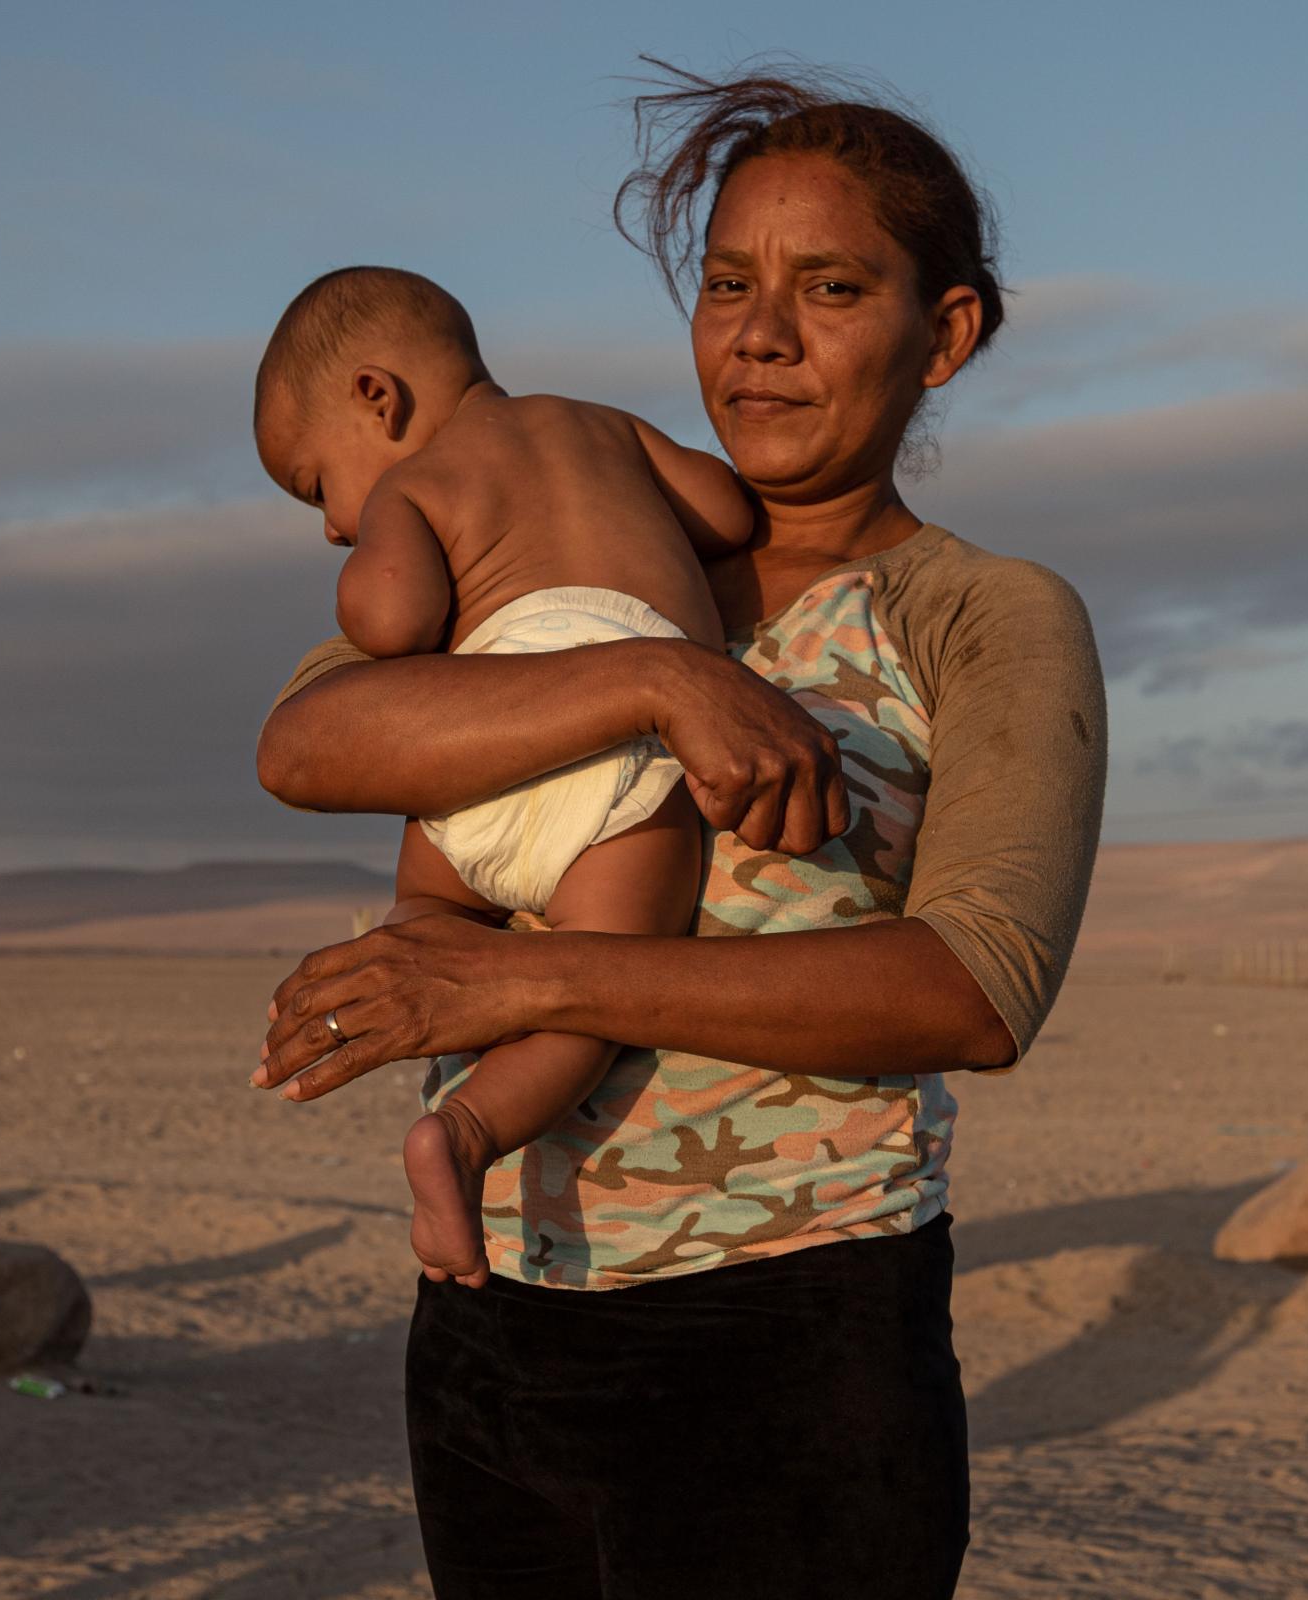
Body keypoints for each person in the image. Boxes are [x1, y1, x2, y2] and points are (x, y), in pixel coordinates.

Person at [253, 60, 1106, 1599]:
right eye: (728, 284)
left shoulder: (978, 613)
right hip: (494, 1329)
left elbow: (972, 990)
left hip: (791, 1345)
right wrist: (655, 675)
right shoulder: (565, 549)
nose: (762, 336)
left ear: (948, 334)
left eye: (831, 288)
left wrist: (524, 987)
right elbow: (309, 737)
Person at [251, 265, 757, 1286]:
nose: (331, 525)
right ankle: (469, 1134)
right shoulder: (605, 428)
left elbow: (390, 618)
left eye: (317, 487)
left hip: (493, 727)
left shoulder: (415, 483)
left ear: (377, 400)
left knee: (428, 900)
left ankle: (378, 993)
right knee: (604, 969)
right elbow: (730, 514)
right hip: (619, 758)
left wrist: (373, 564)